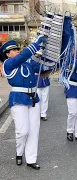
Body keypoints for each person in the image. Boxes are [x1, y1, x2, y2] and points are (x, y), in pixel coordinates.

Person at [0, 36, 46, 170]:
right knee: (23, 131)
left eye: (16, 49)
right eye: (13, 50)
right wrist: (36, 44)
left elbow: (41, 67)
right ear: (7, 54)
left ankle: (31, 159)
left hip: (33, 98)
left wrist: (47, 57)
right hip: (18, 99)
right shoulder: (8, 64)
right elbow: (23, 56)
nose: (16, 51)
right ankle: (19, 153)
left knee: (34, 131)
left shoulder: (27, 63)